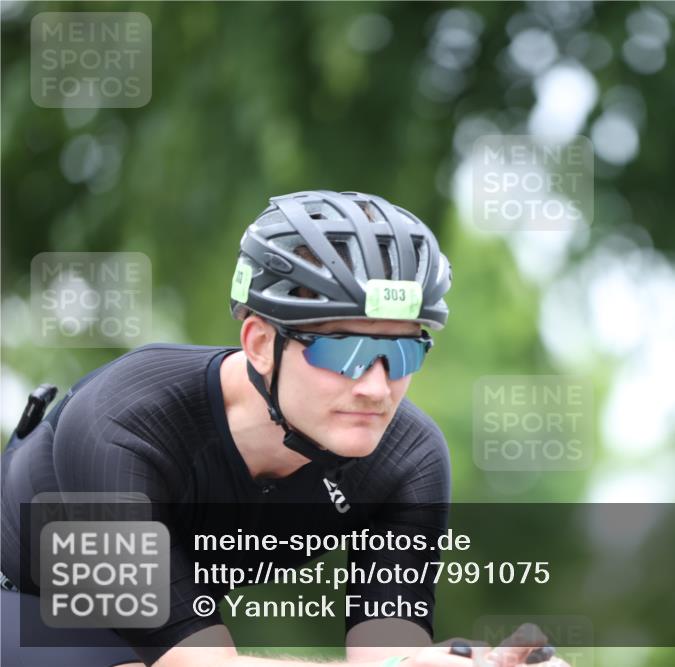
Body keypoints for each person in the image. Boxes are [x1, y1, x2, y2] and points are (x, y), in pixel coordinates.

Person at [1, 190, 566, 667]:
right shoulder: (128, 418)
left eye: (402, 355)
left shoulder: (408, 458)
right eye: (345, 351)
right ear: (260, 344)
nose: (375, 387)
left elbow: (387, 655)